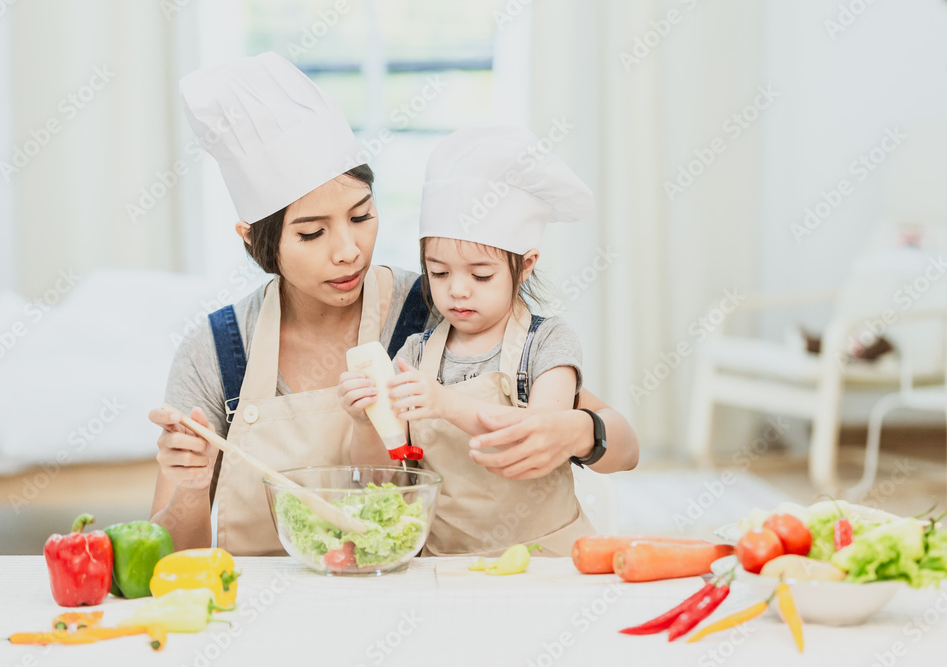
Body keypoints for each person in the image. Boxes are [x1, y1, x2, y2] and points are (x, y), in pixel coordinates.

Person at [149, 53, 638, 556]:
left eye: (361, 216)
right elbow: (168, 561)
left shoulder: (441, 308)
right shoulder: (217, 351)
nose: (348, 250)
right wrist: (190, 485)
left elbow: (619, 447)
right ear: (255, 241)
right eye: (313, 232)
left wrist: (579, 431)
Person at [339, 127, 627, 556]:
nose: (457, 290)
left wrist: (444, 403)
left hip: (545, 562)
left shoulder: (546, 343)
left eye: (480, 275)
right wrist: (367, 421)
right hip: (446, 566)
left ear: (526, 264)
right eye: (438, 272)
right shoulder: (416, 354)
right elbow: (386, 479)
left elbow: (537, 434)